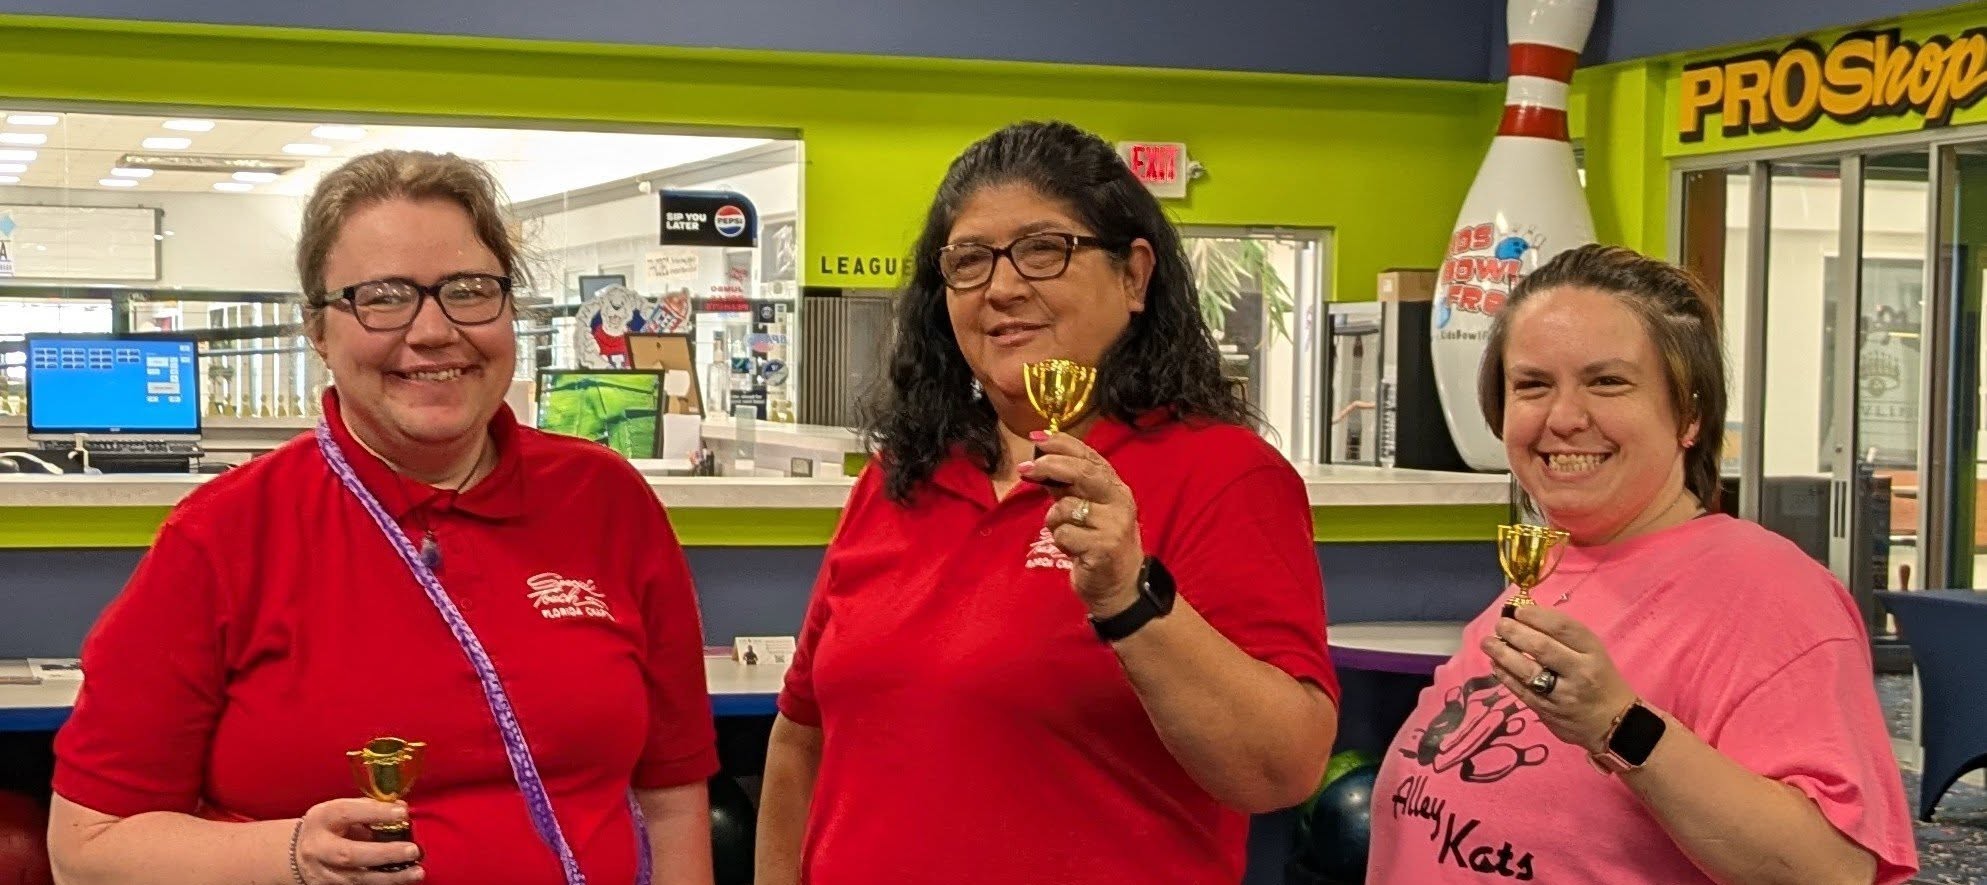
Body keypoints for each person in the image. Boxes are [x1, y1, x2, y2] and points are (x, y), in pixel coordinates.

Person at [47, 150, 719, 885]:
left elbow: (672, 796)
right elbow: (86, 844)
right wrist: (290, 854)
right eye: (384, 296)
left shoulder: (605, 500)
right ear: (317, 332)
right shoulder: (225, 535)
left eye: (468, 291)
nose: (433, 331)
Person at [754, 120, 1342, 884]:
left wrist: (1129, 599)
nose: (1001, 287)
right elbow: (803, 734)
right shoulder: (901, 476)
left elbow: (1279, 768)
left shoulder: (1222, 474)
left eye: (1043, 249)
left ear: (1134, 276)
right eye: (969, 261)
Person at [1368, 244, 1918, 883]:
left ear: (1689, 414)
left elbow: (1831, 870)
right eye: (1532, 385)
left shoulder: (1769, 591)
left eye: (1608, 382)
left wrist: (1616, 725)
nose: (1564, 418)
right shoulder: (1550, 569)